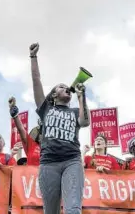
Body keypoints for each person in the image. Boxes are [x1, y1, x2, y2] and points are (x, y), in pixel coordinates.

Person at [29, 42, 90, 214]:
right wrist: (33, 57)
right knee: (51, 211)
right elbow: (36, 81)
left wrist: (81, 95)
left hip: (72, 161)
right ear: (54, 94)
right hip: (48, 163)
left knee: (73, 209)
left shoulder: (75, 110)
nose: (66, 88)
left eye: (66, 87)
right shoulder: (46, 108)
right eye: (61, 86)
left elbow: (85, 122)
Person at [9, 97, 41, 166]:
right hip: (32, 176)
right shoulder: (32, 146)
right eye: (40, 133)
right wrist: (15, 115)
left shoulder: (55, 146)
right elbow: (21, 130)